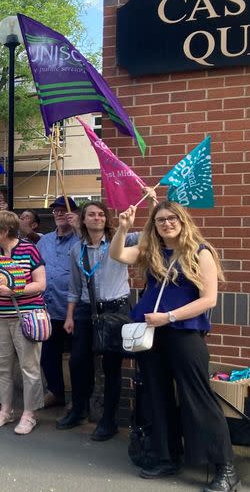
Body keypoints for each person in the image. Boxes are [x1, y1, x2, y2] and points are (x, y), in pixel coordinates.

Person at [111, 202, 239, 490]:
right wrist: (122, 228)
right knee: (157, 395)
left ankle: (225, 467)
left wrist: (168, 317)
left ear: (182, 220)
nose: (166, 224)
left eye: (171, 219)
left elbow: (209, 300)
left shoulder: (199, 251)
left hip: (183, 332)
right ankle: (167, 457)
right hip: (151, 335)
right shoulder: (152, 250)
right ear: (154, 226)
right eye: (160, 221)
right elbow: (118, 254)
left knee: (197, 397)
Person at [59, 201, 138, 441]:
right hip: (86, 310)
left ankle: (109, 420)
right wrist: (70, 316)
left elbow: (152, 234)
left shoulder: (124, 239)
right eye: (91, 214)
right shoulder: (76, 250)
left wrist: (138, 215)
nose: (97, 218)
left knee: (112, 367)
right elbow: (74, 287)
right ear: (82, 220)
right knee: (78, 362)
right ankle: (79, 410)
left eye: (101, 214)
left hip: (116, 309)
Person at [0, 210, 46, 435]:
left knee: (29, 367)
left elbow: (41, 284)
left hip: (25, 316)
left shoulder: (29, 250)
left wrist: (12, 290)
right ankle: (5, 410)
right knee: (1, 366)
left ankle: (30, 414)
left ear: (5, 230)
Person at [36, 197, 79, 410]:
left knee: (77, 357)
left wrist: (79, 228)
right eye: (56, 211)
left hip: (74, 308)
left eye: (65, 210)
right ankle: (56, 392)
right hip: (48, 308)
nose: (60, 214)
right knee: (48, 355)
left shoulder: (81, 239)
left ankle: (79, 398)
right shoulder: (44, 241)